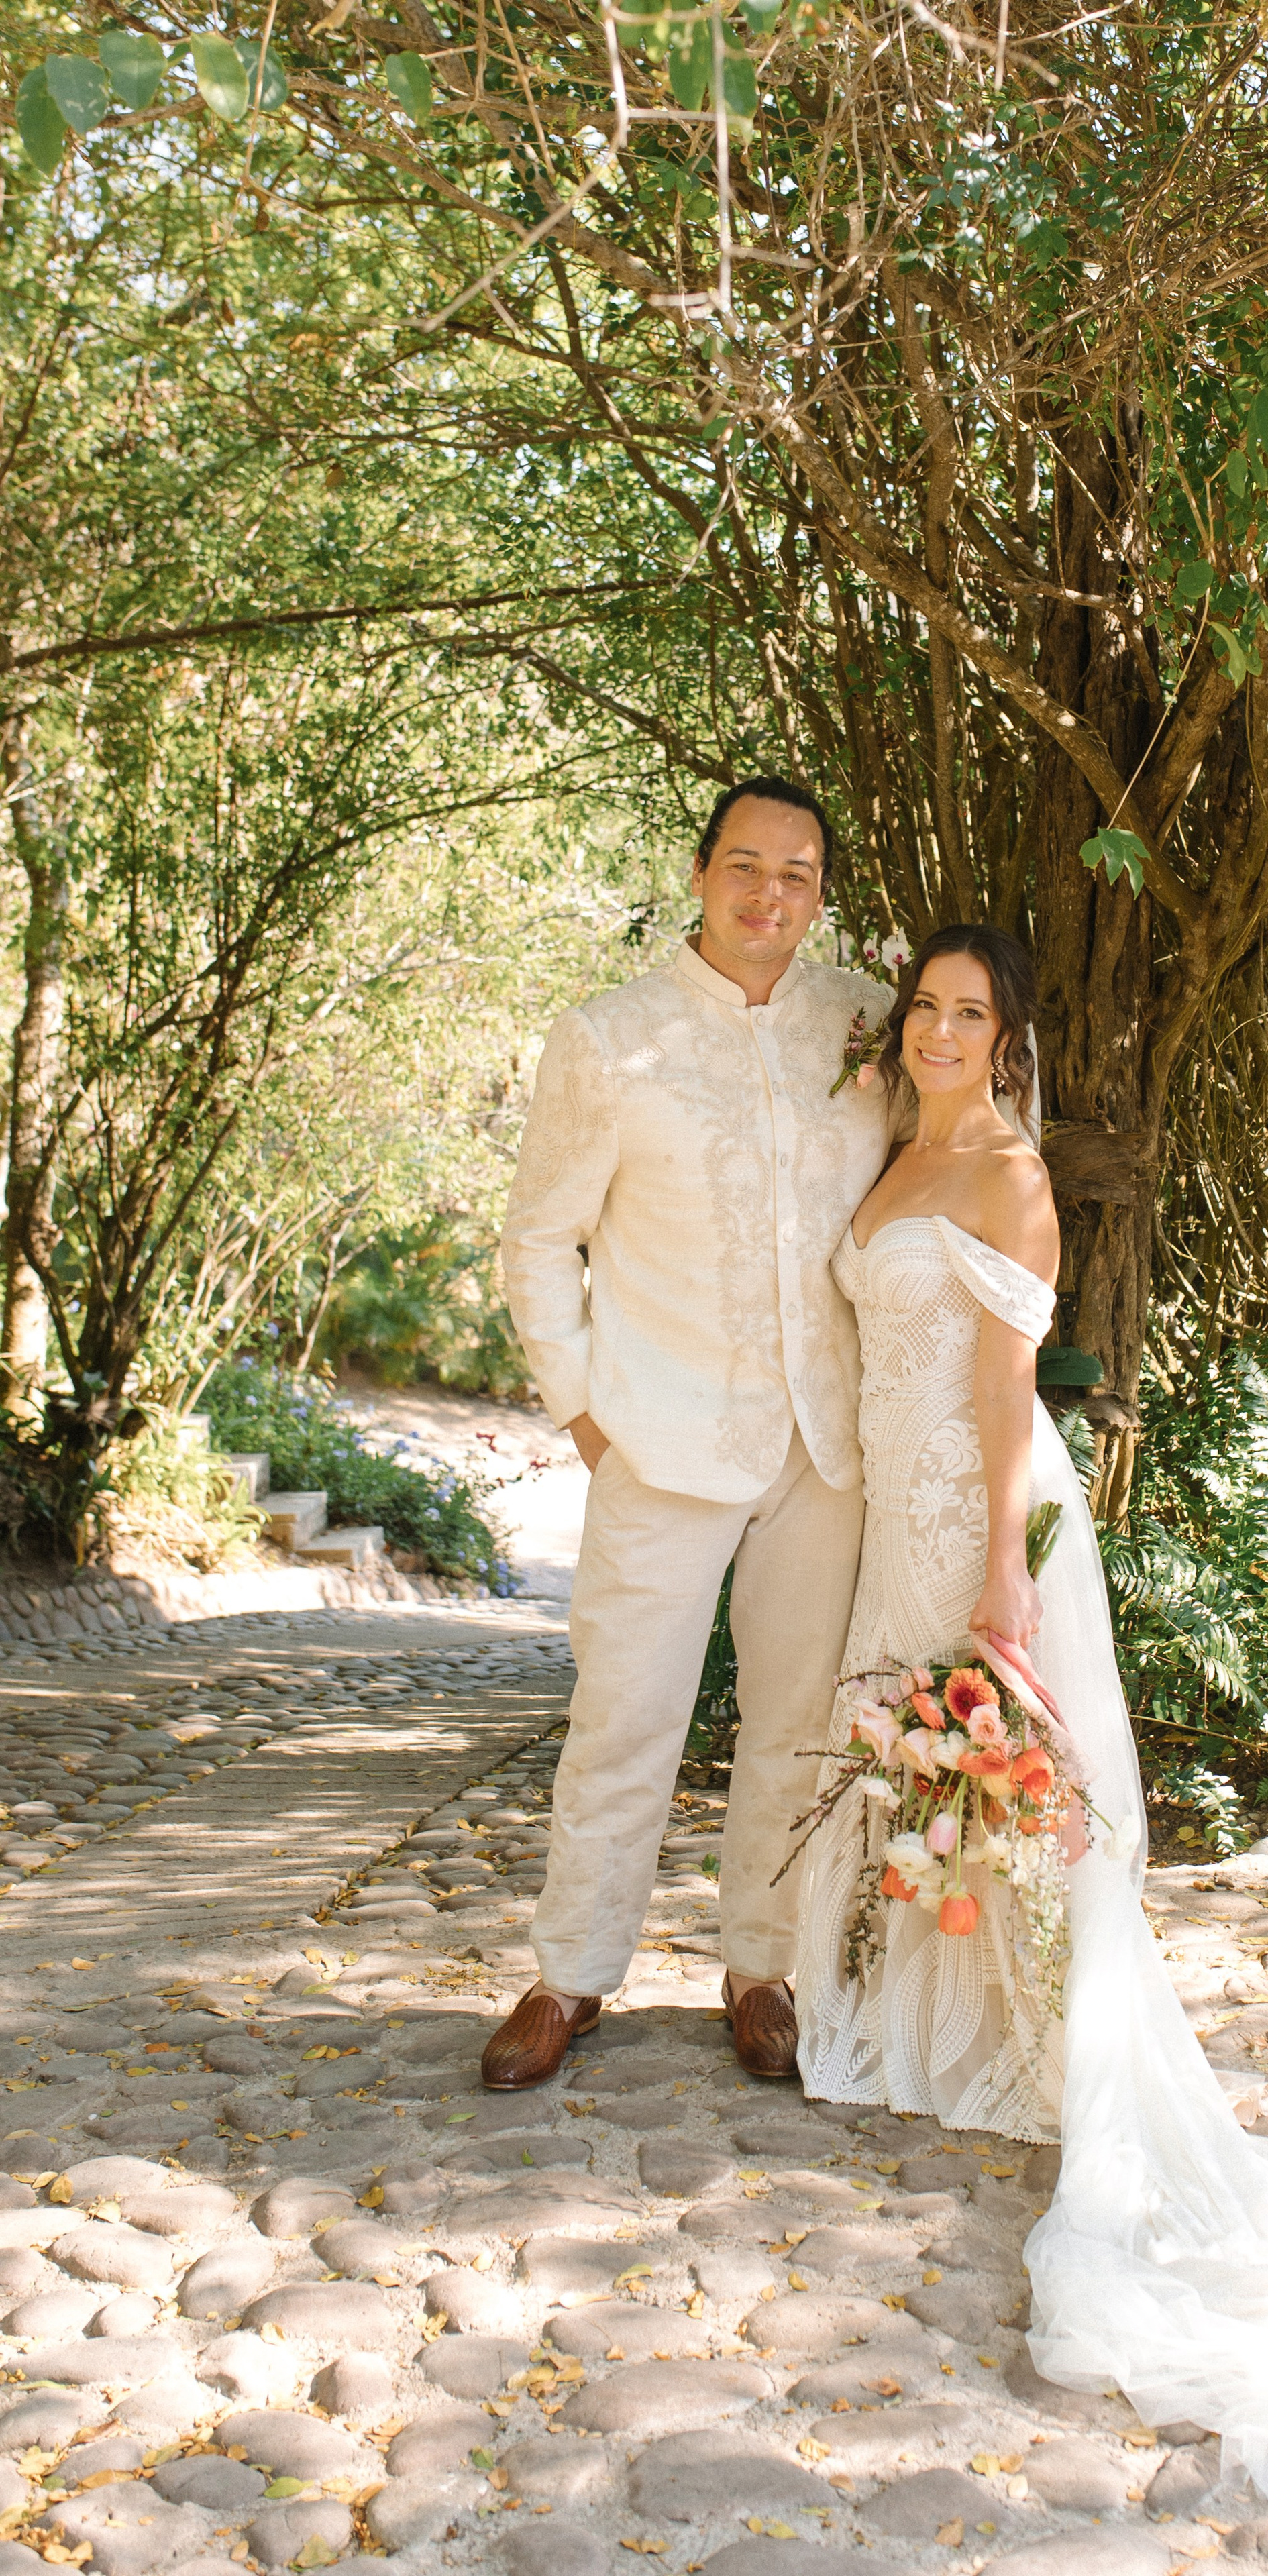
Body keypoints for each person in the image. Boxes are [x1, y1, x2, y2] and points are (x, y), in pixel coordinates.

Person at [794, 922, 1268, 2529]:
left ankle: (1044, 2031)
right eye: (924, 1007)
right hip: (895, 1507)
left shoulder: (1007, 1177)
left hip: (980, 1510)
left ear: (1007, 1039)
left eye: (969, 1014)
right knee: (926, 1771)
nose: (939, 1031)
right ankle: (937, 2021)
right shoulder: (893, 1152)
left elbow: (997, 1389)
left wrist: (998, 1574)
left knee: (1009, 1776)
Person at [484, 776, 894, 2088]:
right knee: (623, 1715)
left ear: (821, 894)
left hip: (825, 1446)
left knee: (795, 1724)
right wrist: (580, 1410)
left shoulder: (868, 1025)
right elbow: (538, 1238)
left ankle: (761, 1968)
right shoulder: (609, 1039)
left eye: (797, 873)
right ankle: (570, 1975)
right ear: (703, 872)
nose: (769, 893)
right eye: (746, 865)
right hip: (658, 1440)